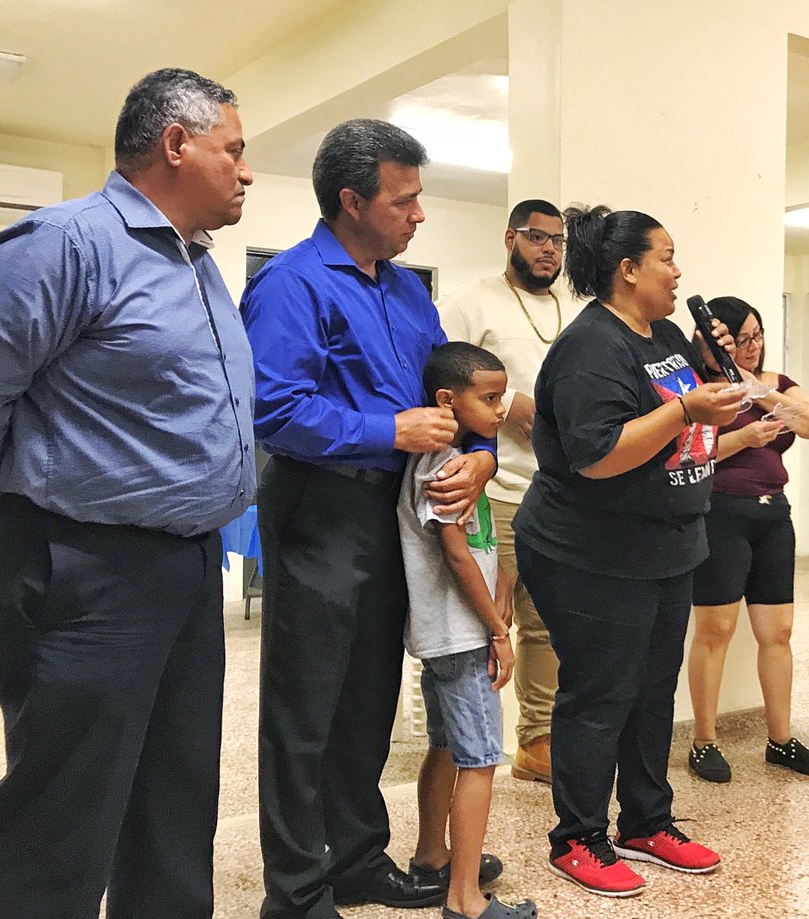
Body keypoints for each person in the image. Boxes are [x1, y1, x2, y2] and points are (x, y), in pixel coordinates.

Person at [0, 68, 255, 918]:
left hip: (185, 565)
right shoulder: (63, 244)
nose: (246, 173)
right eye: (235, 151)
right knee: (63, 814)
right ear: (176, 144)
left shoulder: (195, 259)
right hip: (83, 567)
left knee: (176, 804)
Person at [241, 120, 500, 919]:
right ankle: (295, 889)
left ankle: (355, 859)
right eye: (405, 199)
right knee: (305, 705)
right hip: (321, 508)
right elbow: (272, 407)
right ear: (352, 200)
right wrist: (388, 430)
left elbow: (452, 393)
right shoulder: (292, 283)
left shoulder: (403, 289)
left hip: (396, 514)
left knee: (367, 699)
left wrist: (481, 455)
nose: (418, 214)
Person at [512, 204, 743, 898]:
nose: (678, 271)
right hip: (589, 551)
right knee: (597, 692)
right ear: (629, 269)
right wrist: (685, 410)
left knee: (650, 689)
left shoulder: (664, 331)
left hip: (665, 547)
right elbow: (600, 455)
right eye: (667, 257)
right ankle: (578, 837)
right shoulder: (591, 347)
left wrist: (715, 393)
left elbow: (683, 414)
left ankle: (646, 819)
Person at [436, 199, 575, 784]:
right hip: (492, 490)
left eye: (558, 242)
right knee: (486, 622)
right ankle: (469, 745)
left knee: (546, 622)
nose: (549, 250)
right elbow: (440, 377)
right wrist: (507, 402)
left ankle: (537, 741)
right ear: (510, 238)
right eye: (538, 238)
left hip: (557, 493)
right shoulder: (471, 302)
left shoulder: (576, 308)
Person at [399, 343, 537, 919]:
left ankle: (434, 857)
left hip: (457, 631)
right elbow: (456, 556)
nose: (502, 408)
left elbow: (480, 550)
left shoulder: (461, 456)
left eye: (503, 395)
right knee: (480, 758)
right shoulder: (444, 465)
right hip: (460, 637)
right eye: (489, 397)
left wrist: (502, 586)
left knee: (447, 747)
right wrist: (497, 632)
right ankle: (465, 898)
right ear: (446, 401)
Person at [686, 295, 809, 783]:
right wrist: (745, 438)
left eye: (756, 336)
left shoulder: (774, 385)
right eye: (739, 339)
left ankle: (780, 739)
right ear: (709, 342)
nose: (750, 347)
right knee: (716, 631)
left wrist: (753, 387)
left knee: (778, 633)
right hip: (720, 514)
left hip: (774, 516)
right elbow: (688, 454)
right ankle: (704, 741)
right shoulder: (696, 390)